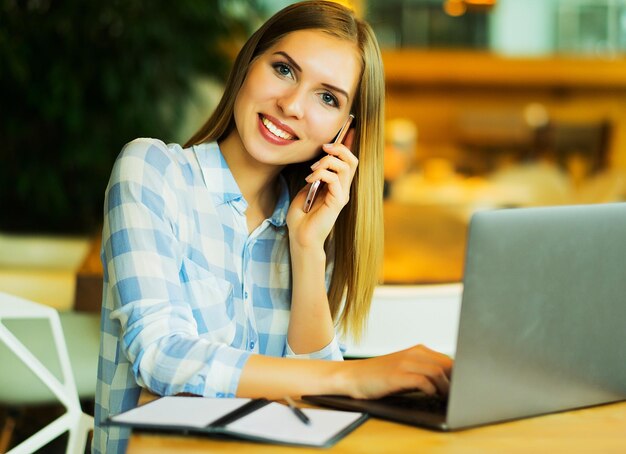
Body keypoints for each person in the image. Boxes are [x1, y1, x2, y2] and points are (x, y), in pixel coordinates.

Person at [93, 1, 453, 452]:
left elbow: (320, 403)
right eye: (284, 70)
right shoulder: (152, 170)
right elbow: (160, 356)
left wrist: (307, 250)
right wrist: (356, 375)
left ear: (345, 133)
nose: (291, 105)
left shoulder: (308, 225)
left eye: (327, 98)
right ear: (248, 65)